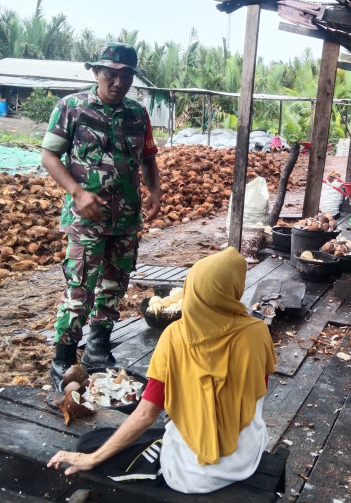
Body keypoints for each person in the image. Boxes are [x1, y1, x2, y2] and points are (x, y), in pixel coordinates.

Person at [47, 247, 277, 494]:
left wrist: (92, 459)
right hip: (246, 456)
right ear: (232, 291)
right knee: (121, 437)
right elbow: (253, 391)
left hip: (195, 472)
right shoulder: (257, 332)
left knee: (89, 444)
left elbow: (146, 415)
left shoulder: (176, 337)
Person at [41, 42, 162, 389]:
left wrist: (155, 191)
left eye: (126, 77)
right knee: (80, 289)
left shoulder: (138, 113)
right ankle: (62, 359)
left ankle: (97, 351)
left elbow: (149, 157)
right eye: (111, 74)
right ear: (96, 72)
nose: (118, 83)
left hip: (126, 219)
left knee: (113, 288)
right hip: (86, 219)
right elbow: (49, 156)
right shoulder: (72, 108)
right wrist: (77, 193)